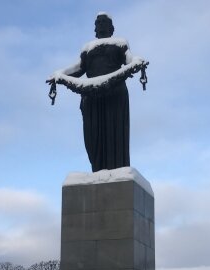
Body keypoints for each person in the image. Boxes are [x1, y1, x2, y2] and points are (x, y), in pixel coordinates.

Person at [51, 13, 144, 172]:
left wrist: (137, 62)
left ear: (111, 28)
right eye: (98, 22)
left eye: (104, 22)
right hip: (91, 95)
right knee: (92, 136)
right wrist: (59, 75)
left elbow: (130, 60)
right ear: (95, 27)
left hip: (115, 93)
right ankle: (98, 169)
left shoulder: (120, 43)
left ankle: (117, 171)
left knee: (114, 133)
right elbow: (79, 68)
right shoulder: (88, 48)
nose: (101, 24)